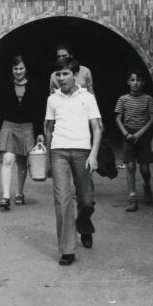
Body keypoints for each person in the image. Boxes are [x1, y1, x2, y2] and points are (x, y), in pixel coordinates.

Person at [44, 56, 102, 266]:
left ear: (75, 74)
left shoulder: (87, 97)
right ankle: (67, 249)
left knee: (86, 200)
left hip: (82, 152)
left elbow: (97, 128)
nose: (60, 78)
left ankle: (84, 223)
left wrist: (93, 154)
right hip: (59, 151)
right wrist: (49, 157)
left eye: (65, 73)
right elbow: (48, 128)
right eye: (58, 74)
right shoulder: (53, 99)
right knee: (62, 200)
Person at [0, 55, 45, 210]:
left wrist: (39, 132)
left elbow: (38, 111)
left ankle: (19, 193)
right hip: (8, 126)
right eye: (15, 69)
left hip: (27, 127)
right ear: (11, 70)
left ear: (26, 69)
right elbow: (0, 110)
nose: (18, 71)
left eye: (21, 68)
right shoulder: (6, 85)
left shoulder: (34, 86)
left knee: (22, 161)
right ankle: (6, 196)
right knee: (7, 159)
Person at [114, 68, 153, 212]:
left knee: (145, 169)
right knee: (131, 167)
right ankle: (132, 198)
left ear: (143, 82)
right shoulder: (123, 99)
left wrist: (140, 133)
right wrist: (126, 134)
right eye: (132, 80)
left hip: (143, 136)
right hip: (128, 135)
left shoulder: (148, 99)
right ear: (128, 82)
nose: (135, 83)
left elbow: (152, 119)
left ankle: (147, 186)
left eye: (138, 80)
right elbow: (118, 118)